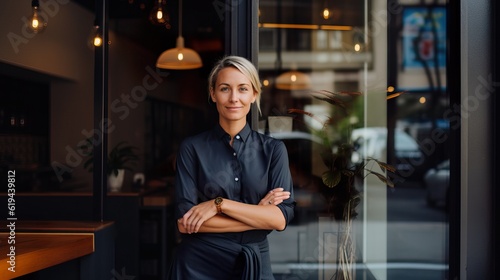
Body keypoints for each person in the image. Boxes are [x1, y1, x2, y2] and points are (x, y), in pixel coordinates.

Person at [168, 55, 295, 280]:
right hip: (199, 264)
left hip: (254, 261)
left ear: (254, 94)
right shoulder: (192, 148)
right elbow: (185, 223)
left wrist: (219, 205)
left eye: (243, 89)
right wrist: (258, 217)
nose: (234, 98)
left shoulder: (274, 150)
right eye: (225, 88)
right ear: (213, 93)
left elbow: (279, 219)